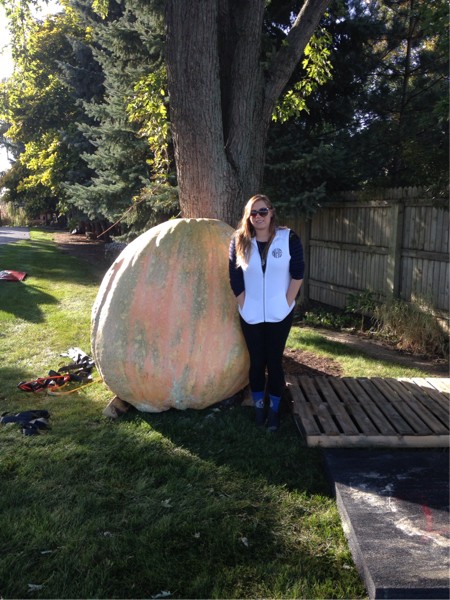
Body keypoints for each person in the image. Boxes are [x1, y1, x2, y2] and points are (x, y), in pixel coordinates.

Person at [229, 194, 304, 432]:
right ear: (248, 216)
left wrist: (286, 302)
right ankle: (259, 407)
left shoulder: (288, 238)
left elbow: (298, 273)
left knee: (274, 361)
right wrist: (244, 304)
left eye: (262, 211)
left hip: (280, 313)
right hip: (250, 314)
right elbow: (235, 277)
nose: (258, 216)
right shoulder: (239, 240)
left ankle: (274, 410)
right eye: (253, 213)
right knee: (256, 361)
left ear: (271, 212)